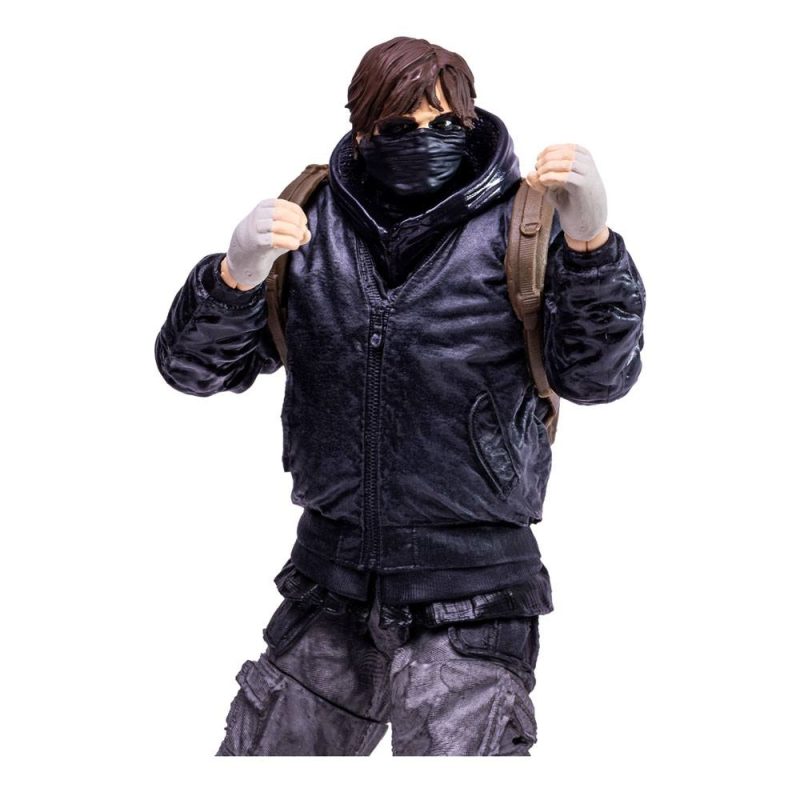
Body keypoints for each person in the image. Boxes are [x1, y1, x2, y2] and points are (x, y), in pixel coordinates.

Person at [154, 35, 645, 756]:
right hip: (328, 580)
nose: (425, 139)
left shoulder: (525, 225)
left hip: (475, 591)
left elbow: (598, 378)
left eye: (445, 123)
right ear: (362, 128)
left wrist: (591, 244)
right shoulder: (310, 224)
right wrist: (235, 275)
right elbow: (193, 369)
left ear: (469, 121)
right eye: (399, 126)